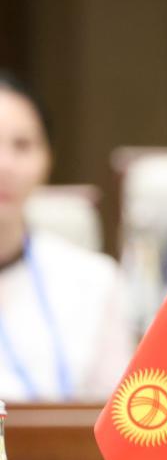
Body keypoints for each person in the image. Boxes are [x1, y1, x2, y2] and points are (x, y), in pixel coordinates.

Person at [0, 72, 133, 401]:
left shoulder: (95, 280)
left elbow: (118, 414)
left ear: (48, 159)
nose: (5, 165)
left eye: (22, 146)